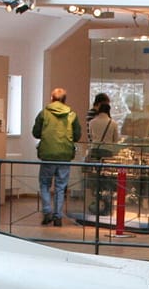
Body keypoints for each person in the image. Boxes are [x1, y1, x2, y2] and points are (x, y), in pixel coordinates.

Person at [32, 87, 80, 226]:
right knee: (60, 186)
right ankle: (58, 216)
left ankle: (47, 211)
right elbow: (77, 135)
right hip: (65, 155)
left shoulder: (44, 113)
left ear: (52, 98)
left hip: (47, 155)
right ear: (65, 100)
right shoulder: (72, 114)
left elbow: (35, 132)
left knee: (45, 184)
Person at [83, 92, 118, 162]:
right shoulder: (113, 123)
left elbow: (91, 135)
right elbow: (115, 140)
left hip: (94, 148)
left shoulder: (92, 121)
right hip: (107, 150)